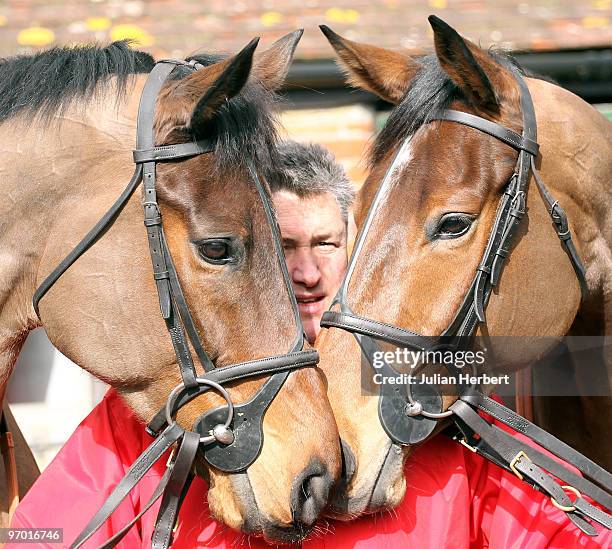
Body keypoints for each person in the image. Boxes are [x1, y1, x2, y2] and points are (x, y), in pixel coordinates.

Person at [8, 142, 607, 548]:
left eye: (325, 244)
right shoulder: (165, 407)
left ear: (358, 253)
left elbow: (562, 533)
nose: (306, 271)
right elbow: (43, 535)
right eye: (281, 249)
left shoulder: (433, 393)